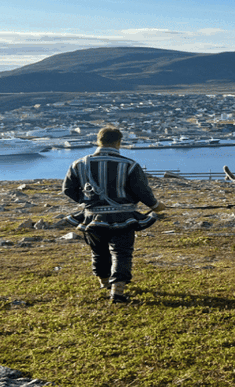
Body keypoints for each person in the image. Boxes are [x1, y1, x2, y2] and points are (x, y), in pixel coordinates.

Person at [62, 126, 165, 303]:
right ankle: (117, 291)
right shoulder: (129, 165)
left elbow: (68, 189)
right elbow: (142, 191)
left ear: (98, 140)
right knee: (122, 252)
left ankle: (103, 282)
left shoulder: (78, 164)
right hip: (123, 217)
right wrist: (156, 206)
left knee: (98, 251)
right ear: (119, 142)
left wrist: (86, 200)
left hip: (92, 217)